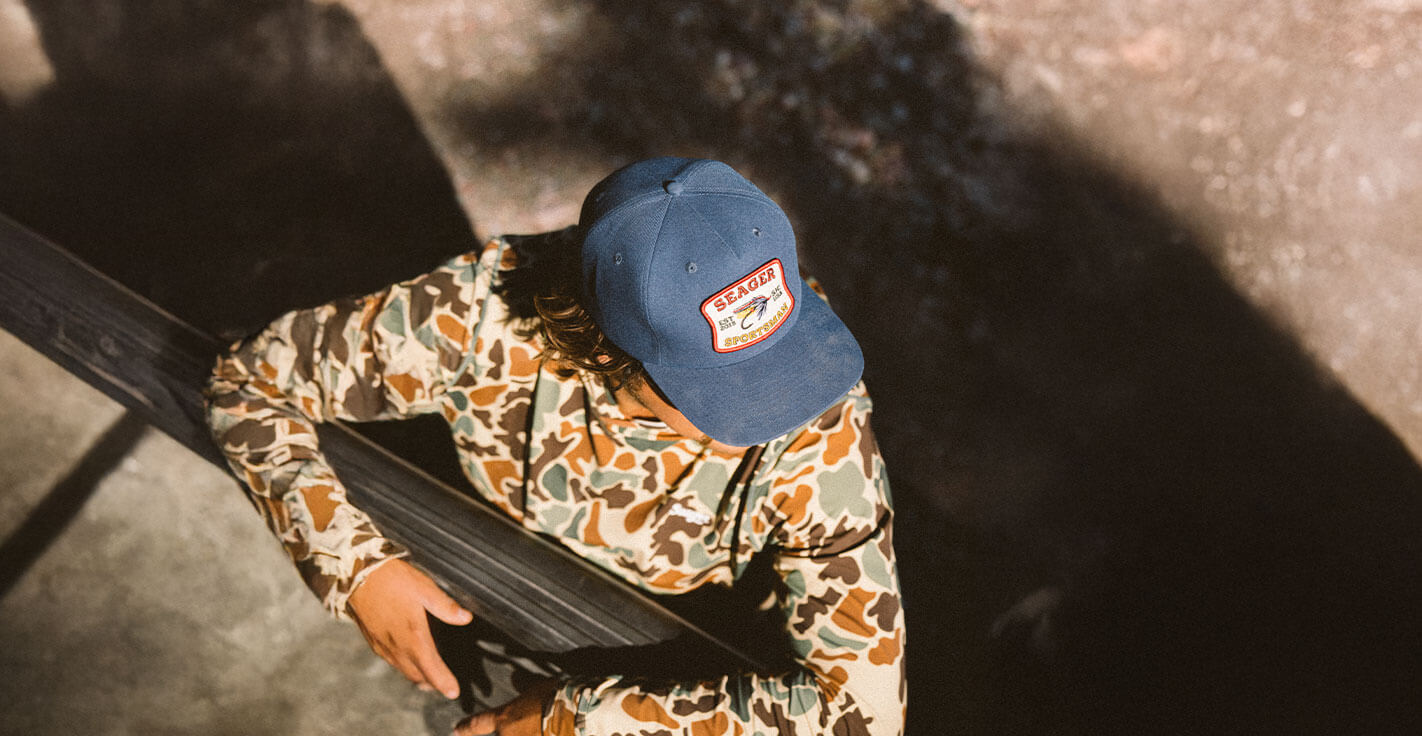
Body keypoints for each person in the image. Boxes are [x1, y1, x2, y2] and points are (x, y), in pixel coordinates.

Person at [205, 157, 905, 735]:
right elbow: (249, 383)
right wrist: (354, 566)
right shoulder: (477, 317)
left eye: (782, 352)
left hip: (686, 672)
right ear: (602, 352)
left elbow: (861, 718)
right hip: (486, 612)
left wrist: (578, 722)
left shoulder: (822, 429)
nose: (784, 404)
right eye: (725, 388)